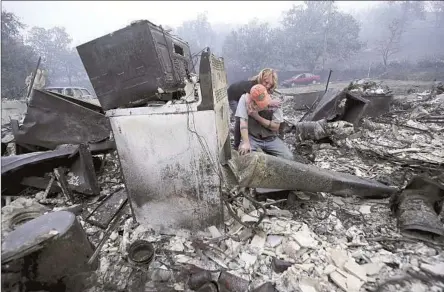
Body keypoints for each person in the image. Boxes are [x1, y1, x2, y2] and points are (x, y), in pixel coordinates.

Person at [235, 83, 293, 160]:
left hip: (271, 138)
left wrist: (256, 116)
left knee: (288, 157)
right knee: (244, 155)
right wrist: (246, 143)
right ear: (253, 101)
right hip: (253, 138)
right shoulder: (245, 100)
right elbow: (243, 124)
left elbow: (275, 127)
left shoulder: (275, 102)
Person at [227, 68, 281, 150]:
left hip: (237, 93)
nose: (267, 86)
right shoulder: (253, 87)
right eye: (266, 82)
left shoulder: (261, 87)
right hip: (233, 96)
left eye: (270, 84)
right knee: (240, 118)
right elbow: (251, 108)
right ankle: (236, 145)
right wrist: (269, 103)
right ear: (261, 78)